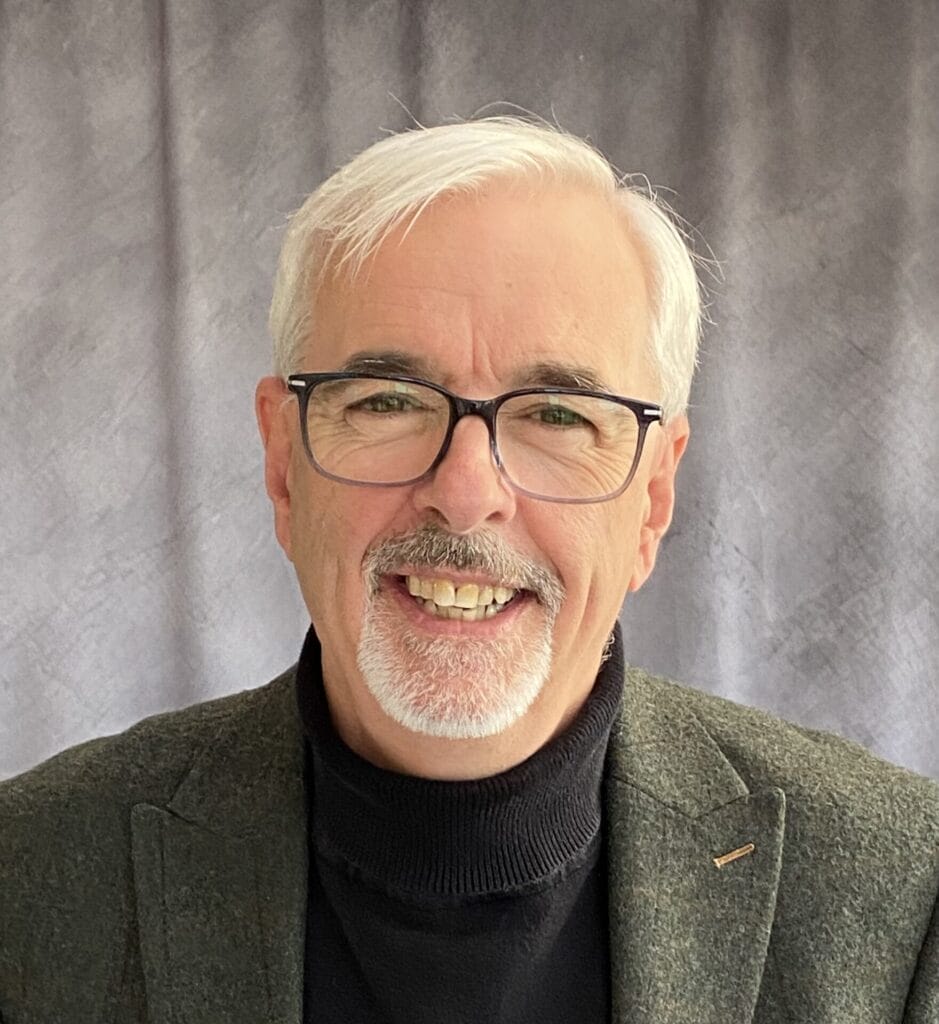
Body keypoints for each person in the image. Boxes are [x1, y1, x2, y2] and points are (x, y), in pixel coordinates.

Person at [1, 119, 936, 1024]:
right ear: (283, 466)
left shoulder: (900, 898)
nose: (464, 492)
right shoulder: (30, 883)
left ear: (651, 497)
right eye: (388, 401)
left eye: (559, 416)